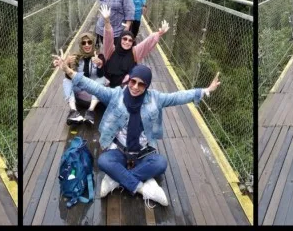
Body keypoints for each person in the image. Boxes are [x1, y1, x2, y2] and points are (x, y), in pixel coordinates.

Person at [51, 56, 221, 208]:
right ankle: (143, 188)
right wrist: (68, 71)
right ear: (129, 80)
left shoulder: (156, 99)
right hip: (118, 149)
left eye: (141, 84)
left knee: (160, 163)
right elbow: (93, 86)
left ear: (146, 86)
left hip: (142, 152)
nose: (135, 87)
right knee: (103, 161)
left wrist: (204, 91)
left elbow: (177, 97)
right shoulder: (116, 95)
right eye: (133, 81)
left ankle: (116, 180)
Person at [98, 4, 169, 88]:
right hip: (108, 86)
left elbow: (147, 43)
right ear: (120, 39)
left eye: (130, 40)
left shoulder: (135, 52)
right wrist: (107, 21)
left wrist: (159, 33)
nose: (127, 42)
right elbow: (108, 38)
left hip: (125, 89)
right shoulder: (110, 50)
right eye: (124, 39)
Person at [63, 32, 106, 126]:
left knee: (102, 78)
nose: (87, 45)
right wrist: (67, 66)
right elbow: (69, 78)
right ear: (80, 45)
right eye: (83, 43)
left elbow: (101, 75)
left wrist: (100, 65)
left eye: (89, 42)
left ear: (93, 43)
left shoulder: (99, 56)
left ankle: (90, 111)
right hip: (80, 91)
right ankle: (73, 111)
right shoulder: (76, 57)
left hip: (93, 93)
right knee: (66, 81)